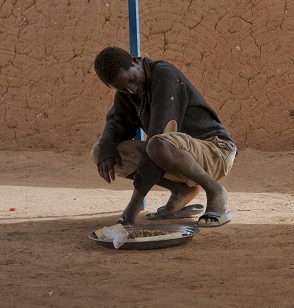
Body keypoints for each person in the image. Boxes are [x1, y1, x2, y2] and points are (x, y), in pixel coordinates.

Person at [90, 46, 237, 227]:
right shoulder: (127, 93)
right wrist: (107, 145)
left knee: (157, 145)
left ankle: (215, 191)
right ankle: (180, 190)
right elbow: (117, 122)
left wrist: (135, 202)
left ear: (136, 61)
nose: (132, 89)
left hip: (215, 150)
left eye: (133, 80)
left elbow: (161, 134)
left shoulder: (164, 76)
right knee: (101, 151)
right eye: (124, 88)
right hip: (177, 151)